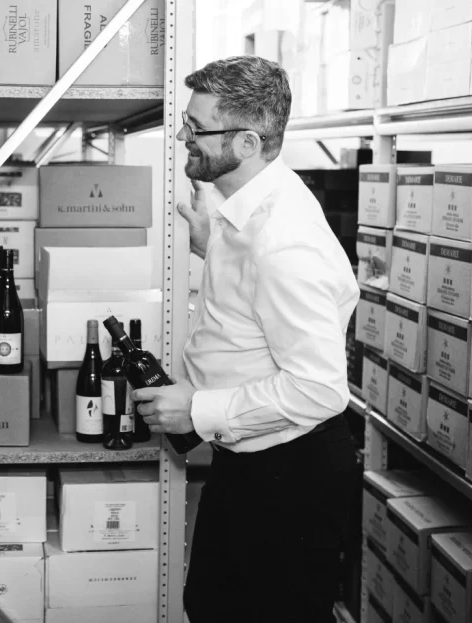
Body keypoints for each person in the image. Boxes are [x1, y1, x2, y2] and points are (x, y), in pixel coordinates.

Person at [132, 56, 360, 622]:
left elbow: (319, 389)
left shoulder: (282, 243)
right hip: (252, 461)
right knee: (209, 604)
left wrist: (198, 408)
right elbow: (262, 301)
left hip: (287, 476)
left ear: (248, 142)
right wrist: (216, 249)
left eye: (196, 128)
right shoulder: (251, 214)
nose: (184, 137)